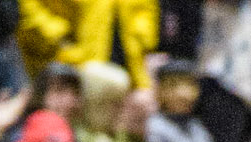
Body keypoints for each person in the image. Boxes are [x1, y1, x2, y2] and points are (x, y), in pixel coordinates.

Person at [18, 0, 159, 92]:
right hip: (71, 64)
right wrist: (56, 36)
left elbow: (145, 10)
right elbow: (29, 8)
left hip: (131, 67)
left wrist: (143, 42)